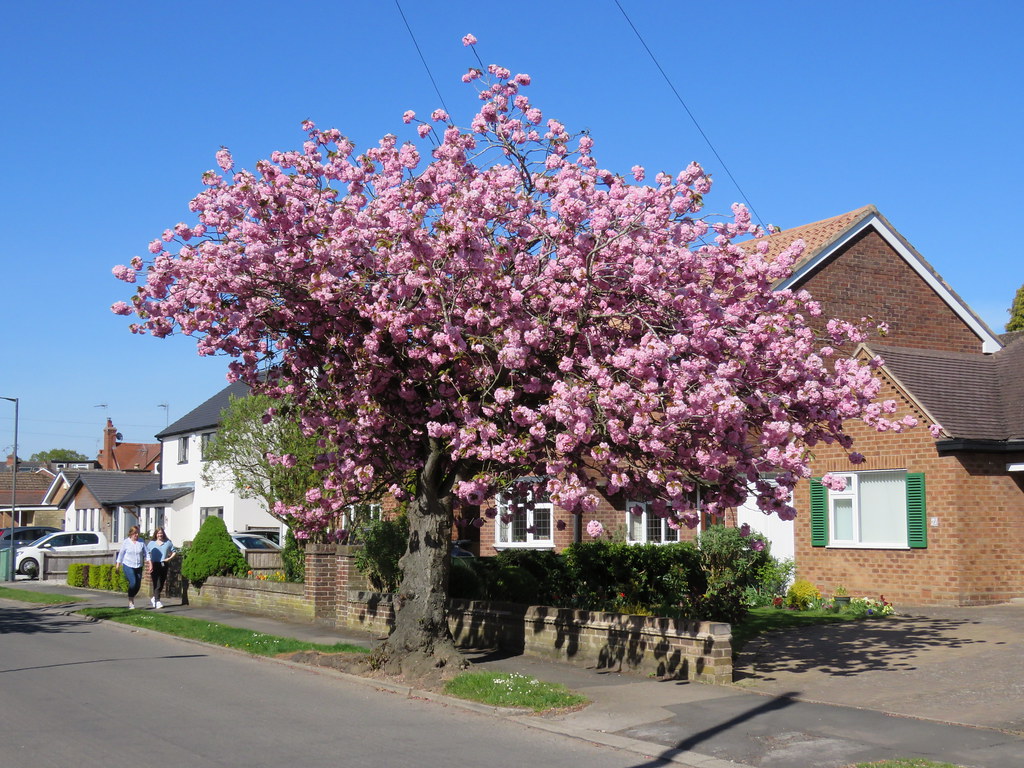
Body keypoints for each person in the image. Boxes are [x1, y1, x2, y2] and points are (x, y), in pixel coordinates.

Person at [114, 525, 150, 609]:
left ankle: (131, 596)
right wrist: (117, 566)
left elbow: (147, 553)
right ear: (131, 534)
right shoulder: (126, 542)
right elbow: (121, 554)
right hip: (128, 565)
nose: (136, 535)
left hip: (138, 566)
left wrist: (150, 563)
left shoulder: (141, 542)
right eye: (134, 533)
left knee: (138, 585)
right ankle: (131, 602)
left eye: (137, 533)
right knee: (133, 582)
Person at [146, 527, 176, 609]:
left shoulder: (168, 542)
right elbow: (147, 553)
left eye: (161, 533)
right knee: (157, 583)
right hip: (154, 564)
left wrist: (169, 558)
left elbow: (174, 551)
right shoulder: (151, 543)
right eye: (158, 533)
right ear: (156, 534)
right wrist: (149, 563)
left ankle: (154, 598)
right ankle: (157, 601)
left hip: (163, 564)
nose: (160, 534)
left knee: (162, 583)